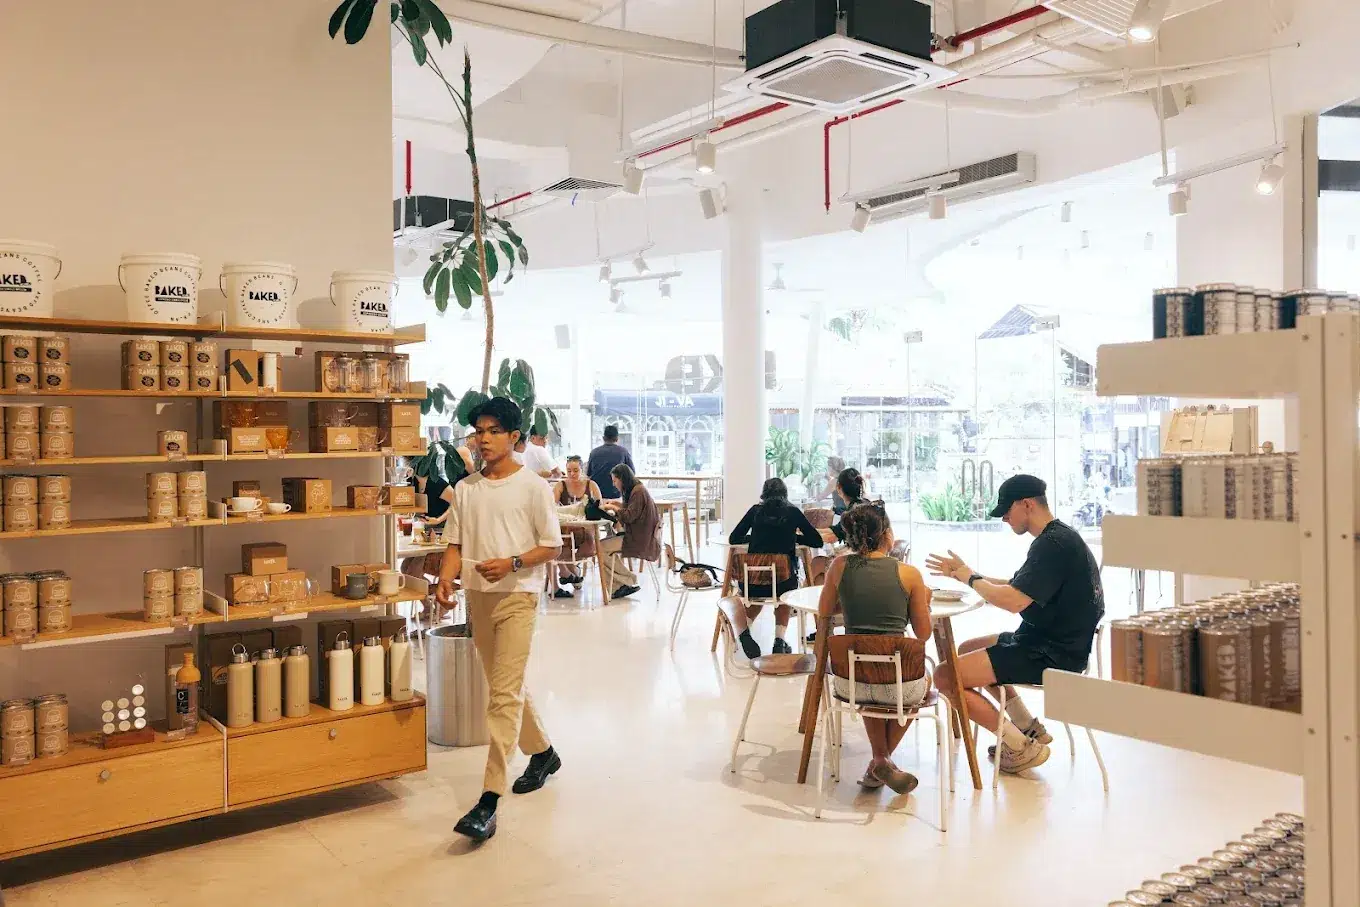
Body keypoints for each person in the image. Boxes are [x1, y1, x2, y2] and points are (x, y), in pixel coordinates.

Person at [436, 397, 563, 843]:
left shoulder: (533, 487)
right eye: (478, 432)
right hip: (478, 598)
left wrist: (512, 562)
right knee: (504, 687)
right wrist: (445, 582)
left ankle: (488, 800)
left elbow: (552, 546)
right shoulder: (466, 488)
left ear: (514, 437)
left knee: (503, 695)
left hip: (518, 597)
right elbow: (454, 544)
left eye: (493, 431)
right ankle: (543, 753)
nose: (483, 439)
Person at [925, 474, 1104, 775]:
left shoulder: (1052, 545)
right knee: (969, 648)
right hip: (1049, 640)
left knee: (945, 676)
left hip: (1051, 653)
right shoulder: (1056, 537)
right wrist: (966, 575)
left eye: (1007, 511)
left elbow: (1013, 601)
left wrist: (970, 577)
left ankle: (1019, 747)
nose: (1005, 518)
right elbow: (1016, 586)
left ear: (1026, 504)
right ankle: (1028, 726)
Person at [818, 502, 933, 794]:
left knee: (868, 672)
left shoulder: (839, 566)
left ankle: (880, 761)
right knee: (921, 682)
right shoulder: (909, 574)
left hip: (851, 683)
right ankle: (880, 761)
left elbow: (824, 610)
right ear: (886, 534)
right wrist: (924, 603)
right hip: (899, 686)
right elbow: (923, 633)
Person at [728, 477, 823, 657]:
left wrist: (754, 538)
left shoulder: (755, 511)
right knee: (783, 593)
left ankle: (743, 631)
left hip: (752, 582)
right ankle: (779, 641)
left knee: (760, 596)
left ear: (764, 495)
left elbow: (734, 538)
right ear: (785, 494)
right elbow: (816, 541)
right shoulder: (793, 512)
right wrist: (793, 537)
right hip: (782, 582)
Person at [598, 463, 658, 599]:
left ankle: (627, 580)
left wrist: (615, 508)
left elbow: (629, 516)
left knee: (600, 548)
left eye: (615, 481)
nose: (614, 484)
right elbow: (633, 510)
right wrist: (618, 505)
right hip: (641, 535)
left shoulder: (638, 492)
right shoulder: (638, 489)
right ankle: (618, 587)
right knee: (602, 548)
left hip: (638, 539)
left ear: (622, 479)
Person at [550, 455, 602, 599]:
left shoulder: (591, 485)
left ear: (582, 470)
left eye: (575, 470)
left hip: (585, 528)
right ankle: (570, 571)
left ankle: (570, 570)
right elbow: (552, 507)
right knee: (555, 543)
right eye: (568, 470)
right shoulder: (561, 485)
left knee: (589, 548)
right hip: (565, 528)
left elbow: (600, 506)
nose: (572, 474)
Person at [819, 467, 867, 544]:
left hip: (867, 554)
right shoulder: (865, 504)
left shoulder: (851, 513)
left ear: (838, 487)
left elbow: (832, 536)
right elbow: (836, 531)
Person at [586, 425, 634, 500]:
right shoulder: (623, 452)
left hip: (597, 496)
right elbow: (632, 472)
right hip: (616, 495)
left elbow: (588, 473)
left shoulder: (594, 453)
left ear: (603, 438)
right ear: (617, 438)